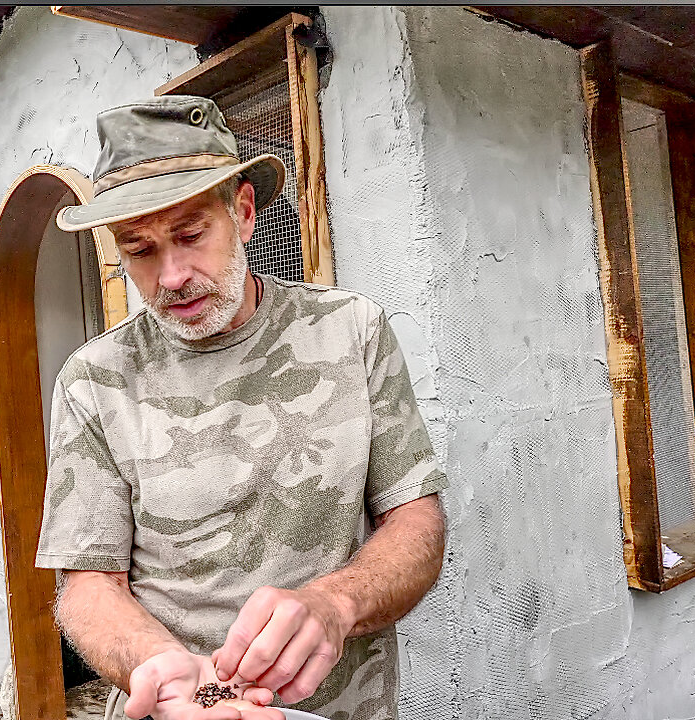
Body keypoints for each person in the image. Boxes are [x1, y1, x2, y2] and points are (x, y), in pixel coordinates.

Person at [36, 95, 448, 720]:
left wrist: (336, 603)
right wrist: (157, 666)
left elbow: (416, 522)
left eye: (191, 234)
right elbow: (87, 584)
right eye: (140, 250)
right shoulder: (96, 380)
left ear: (246, 212)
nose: (171, 275)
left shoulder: (350, 331)